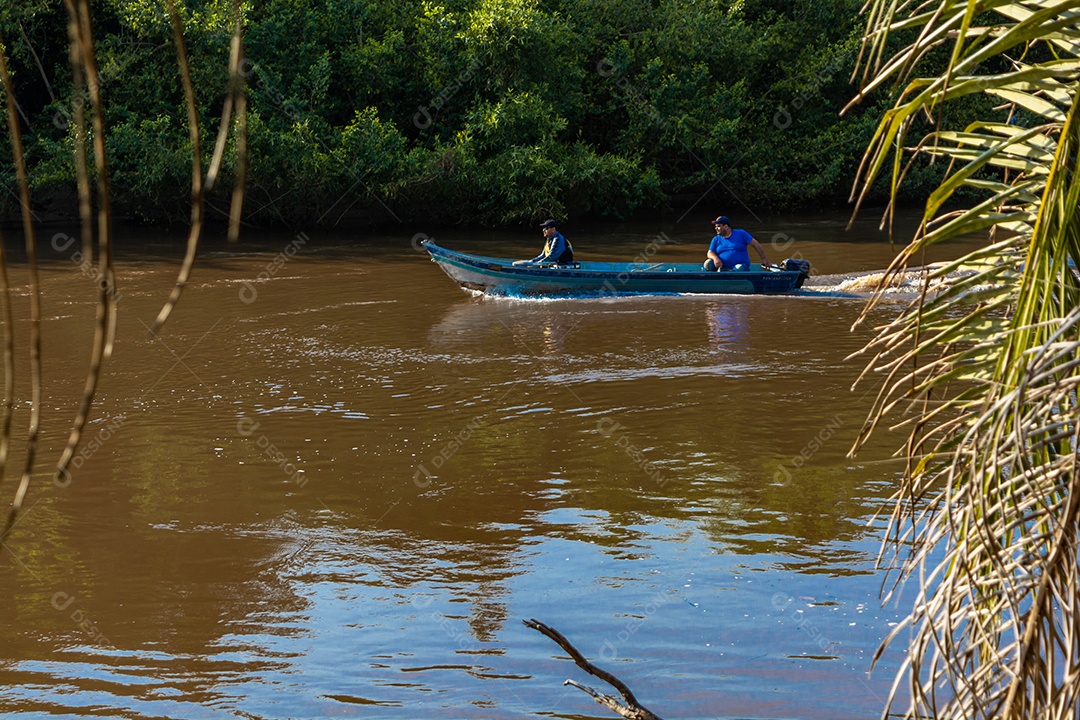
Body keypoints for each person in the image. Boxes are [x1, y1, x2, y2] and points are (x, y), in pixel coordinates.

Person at [703, 216, 770, 271]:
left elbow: (755, 244)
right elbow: (710, 253)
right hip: (722, 267)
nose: (716, 228)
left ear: (726, 226)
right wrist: (715, 258)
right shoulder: (716, 239)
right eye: (715, 227)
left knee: (739, 268)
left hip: (739, 267)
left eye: (718, 226)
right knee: (707, 263)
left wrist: (764, 259)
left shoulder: (741, 234)